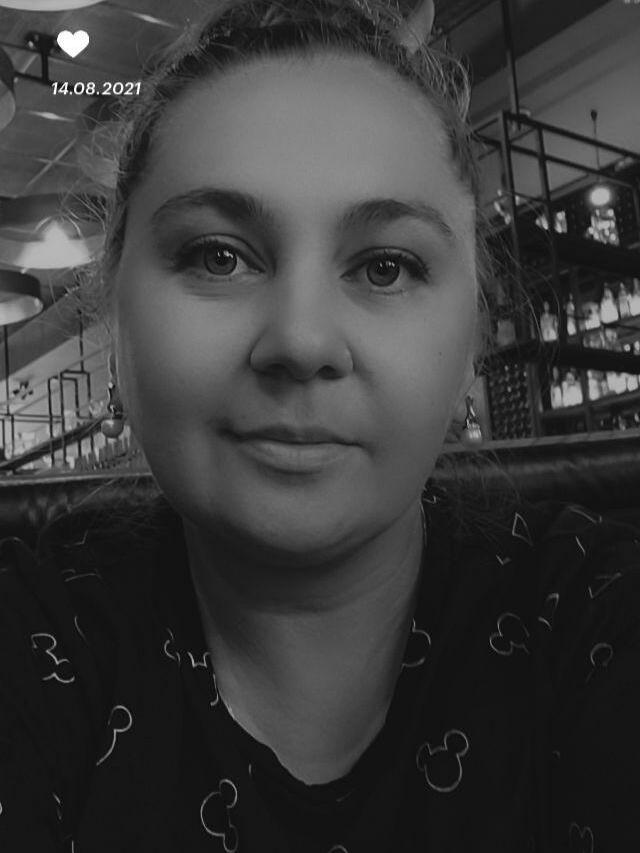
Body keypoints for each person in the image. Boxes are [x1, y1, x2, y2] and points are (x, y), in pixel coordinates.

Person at [1, 1, 639, 850]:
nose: (301, 342)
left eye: (386, 267)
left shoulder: (598, 620)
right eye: (219, 255)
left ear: (474, 340)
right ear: (113, 313)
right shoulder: (29, 640)